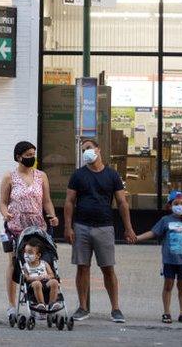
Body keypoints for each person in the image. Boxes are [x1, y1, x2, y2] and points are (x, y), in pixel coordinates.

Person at [64, 138, 136, 323]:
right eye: (83, 150)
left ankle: (115, 308)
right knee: (82, 267)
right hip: (81, 227)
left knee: (108, 268)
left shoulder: (112, 175)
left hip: (105, 226)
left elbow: (122, 202)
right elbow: (69, 201)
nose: (86, 152)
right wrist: (68, 226)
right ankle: (82, 307)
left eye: (88, 148)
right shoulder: (78, 175)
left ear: (98, 149)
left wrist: (128, 228)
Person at [0, 141, 59, 319]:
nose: (31, 157)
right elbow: (2, 202)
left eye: (33, 154)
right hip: (16, 228)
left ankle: (40, 300)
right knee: (14, 263)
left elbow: (46, 201)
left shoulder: (41, 176)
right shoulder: (9, 177)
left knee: (39, 262)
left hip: (37, 228)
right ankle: (11, 304)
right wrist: (6, 213)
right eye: (28, 155)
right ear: (18, 157)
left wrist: (52, 216)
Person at [134, 190, 182, 324]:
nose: (179, 206)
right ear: (170, 206)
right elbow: (153, 233)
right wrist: (137, 238)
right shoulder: (165, 220)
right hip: (169, 260)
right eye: (176, 203)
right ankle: (166, 312)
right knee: (168, 286)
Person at [22, 240, 61, 311]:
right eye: (25, 252)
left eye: (30, 253)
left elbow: (51, 274)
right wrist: (35, 278)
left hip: (46, 282)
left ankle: (52, 303)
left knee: (55, 282)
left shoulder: (44, 264)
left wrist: (47, 276)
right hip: (33, 284)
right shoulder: (25, 266)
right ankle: (41, 304)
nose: (27, 255)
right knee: (37, 283)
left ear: (38, 255)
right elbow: (26, 278)